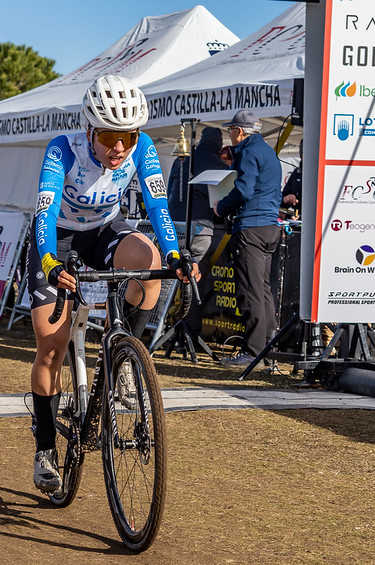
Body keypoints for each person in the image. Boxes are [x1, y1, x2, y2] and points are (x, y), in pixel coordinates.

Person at [26, 75, 199, 492]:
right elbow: (45, 213)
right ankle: (45, 449)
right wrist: (49, 261)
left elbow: (158, 204)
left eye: (127, 135)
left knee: (150, 261)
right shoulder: (62, 150)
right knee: (51, 345)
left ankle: (123, 359)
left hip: (104, 231)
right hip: (59, 238)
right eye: (108, 135)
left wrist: (175, 254)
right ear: (89, 129)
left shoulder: (142, 149)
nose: (119, 147)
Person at [214, 109, 283, 365]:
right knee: (263, 291)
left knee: (250, 292)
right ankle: (266, 353)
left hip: (251, 228)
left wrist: (221, 206)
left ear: (239, 131)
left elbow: (242, 191)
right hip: (269, 227)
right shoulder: (268, 151)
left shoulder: (248, 152)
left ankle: (253, 352)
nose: (230, 134)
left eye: (231, 130)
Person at [166, 126, 229, 338]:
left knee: (170, 277)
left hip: (174, 226)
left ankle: (164, 328)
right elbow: (223, 206)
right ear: (218, 145)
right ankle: (188, 332)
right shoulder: (220, 166)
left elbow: (168, 192)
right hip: (201, 227)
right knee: (193, 277)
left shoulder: (181, 159)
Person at [281, 140, 302, 218]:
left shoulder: (321, 173)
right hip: (296, 221)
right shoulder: (296, 173)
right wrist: (286, 199)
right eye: (302, 153)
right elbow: (284, 197)